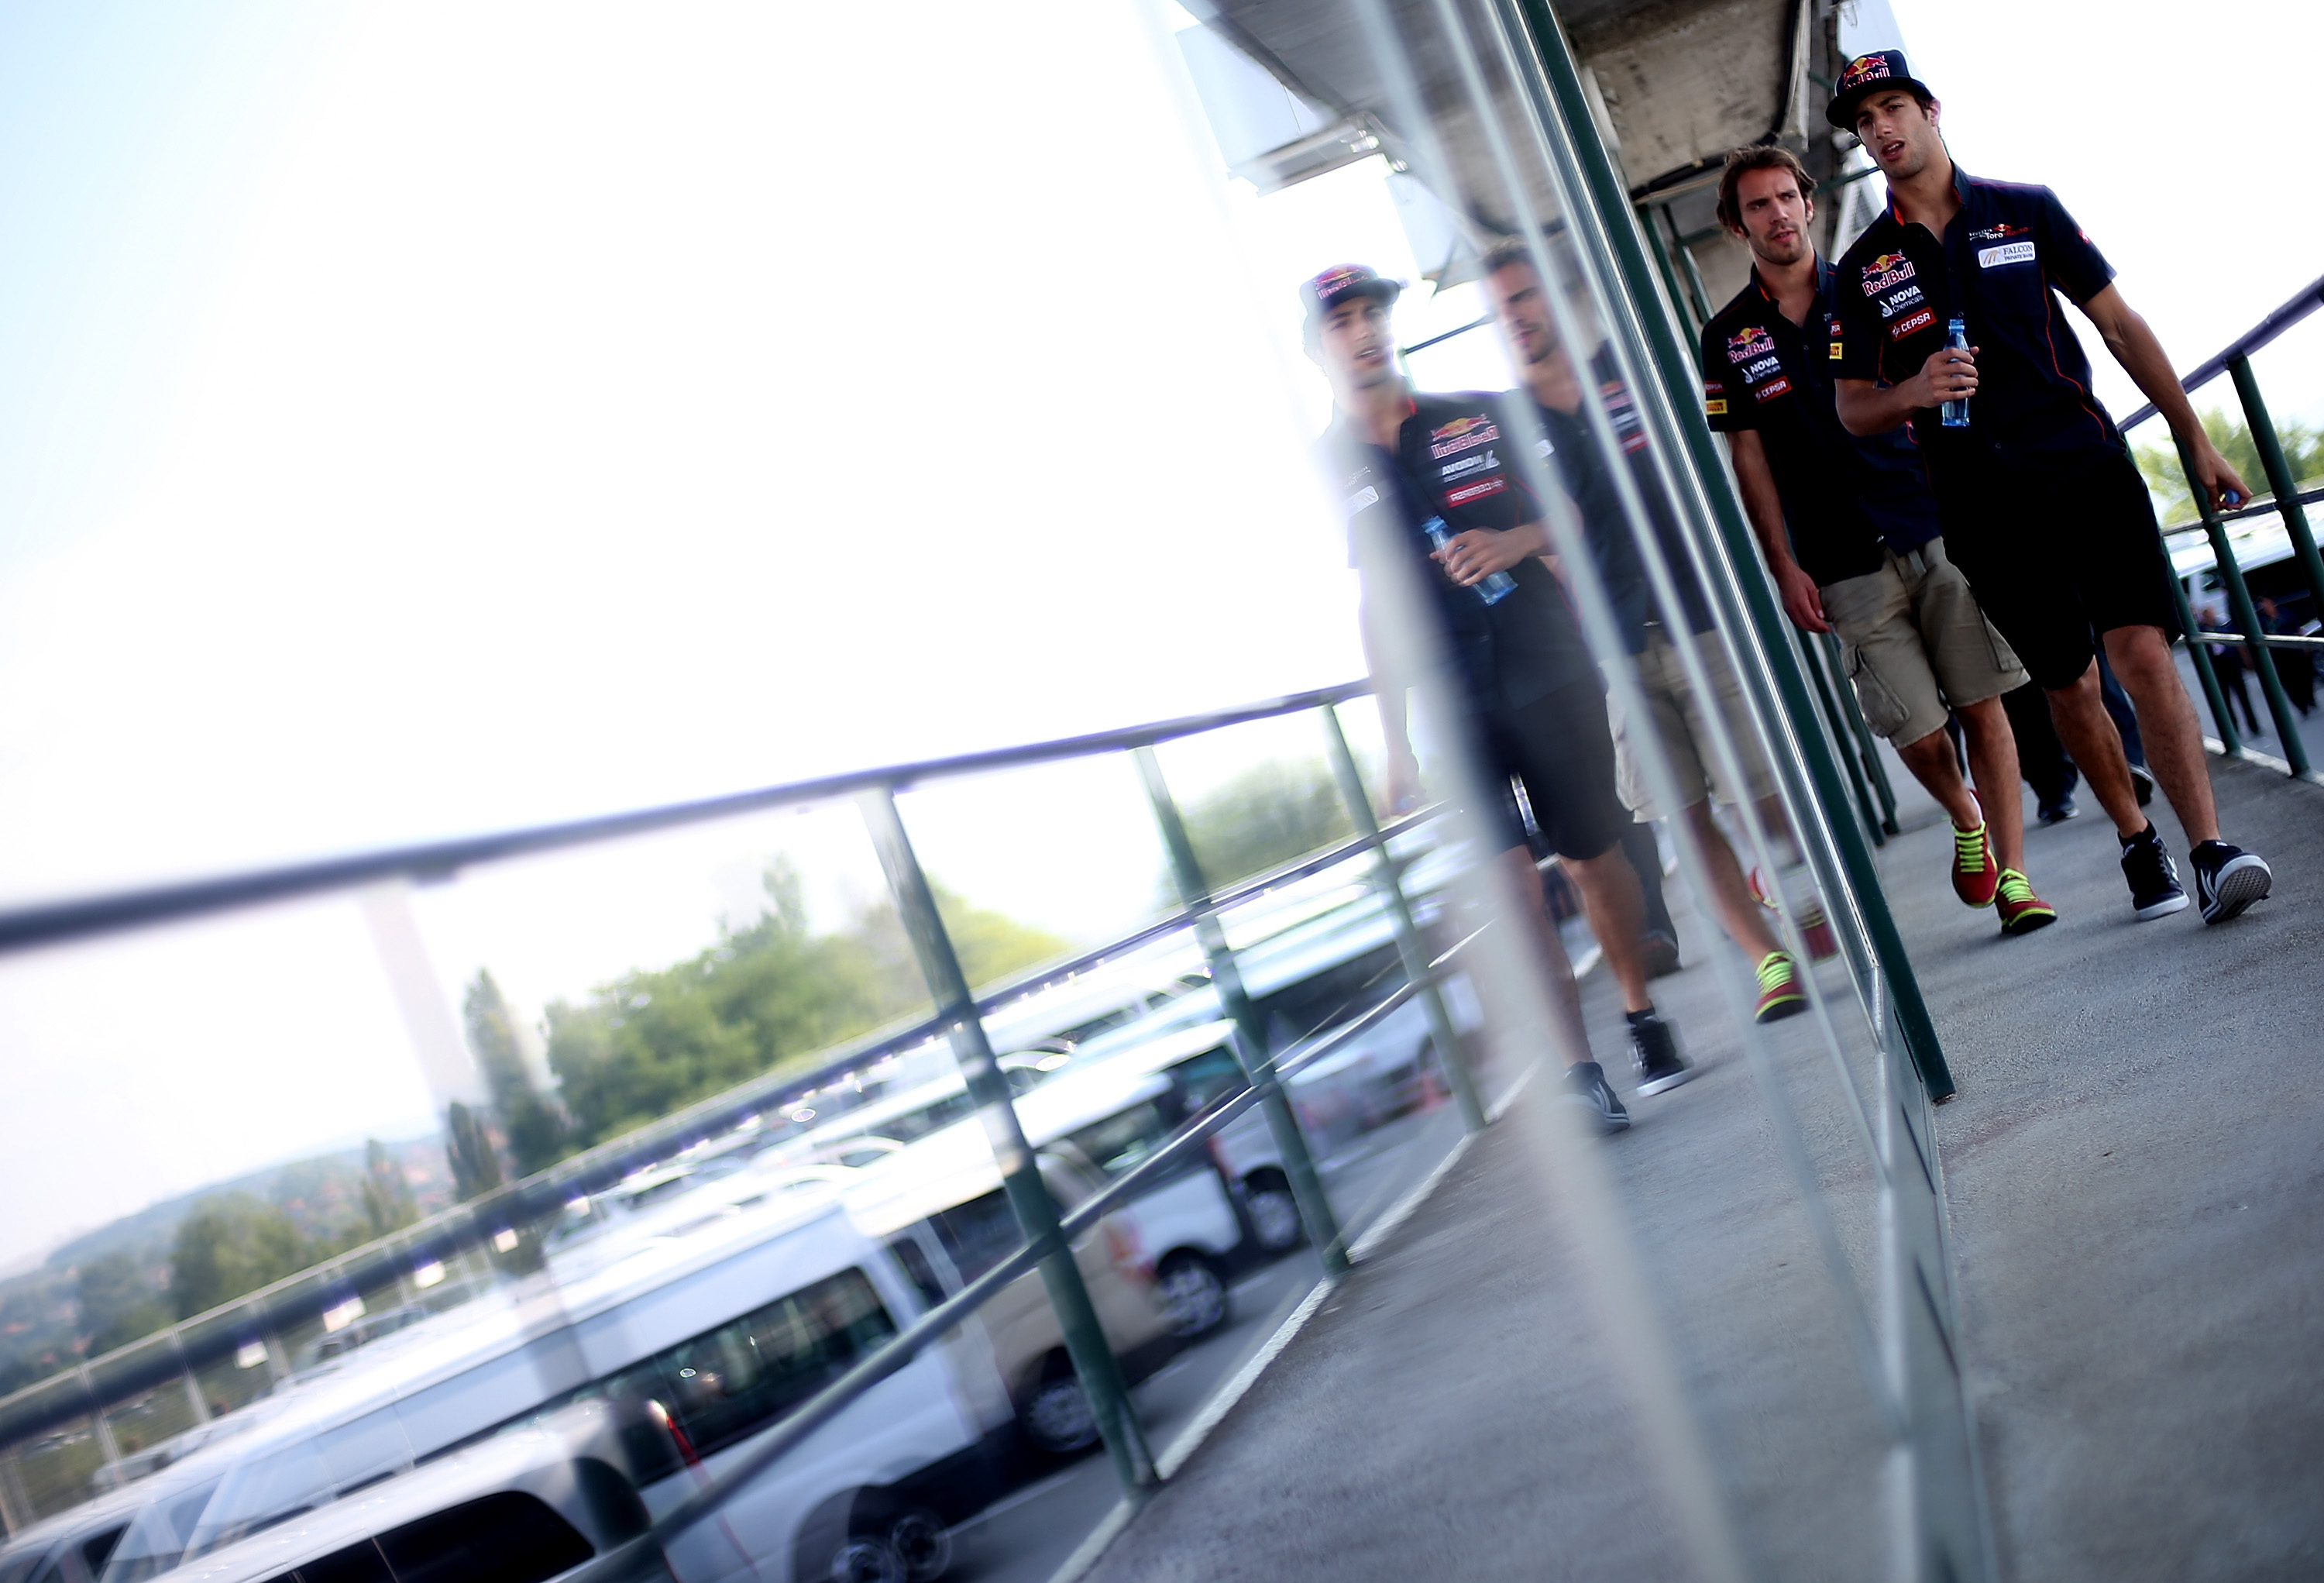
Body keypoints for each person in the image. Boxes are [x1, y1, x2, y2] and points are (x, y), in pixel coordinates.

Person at [1828, 50, 2274, 924]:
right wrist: (1914, 390)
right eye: (1865, 122)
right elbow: (1852, 408)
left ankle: (2212, 851)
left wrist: (2194, 438)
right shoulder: (1864, 266)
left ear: (1930, 109)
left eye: (1893, 108)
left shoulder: (2025, 210)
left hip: (2087, 467)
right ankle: (2137, 838)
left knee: (2142, 652)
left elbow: (2119, 325)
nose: (1881, 129)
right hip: (1983, 504)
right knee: (2069, 684)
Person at [1303, 263, 1692, 1130]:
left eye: (1373, 313)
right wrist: (1395, 745)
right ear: (1317, 348)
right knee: (1512, 892)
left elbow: (1567, 520)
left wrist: (1512, 541)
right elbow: (1375, 602)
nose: (1365, 331)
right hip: (1452, 701)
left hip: (1546, 664)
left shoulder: (1475, 414)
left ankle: (1639, 1013)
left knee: (1593, 861)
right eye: (1343, 321)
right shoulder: (1329, 463)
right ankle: (1579, 1072)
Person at [1697, 143, 2054, 936]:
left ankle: (2016, 879)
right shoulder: (1725, 337)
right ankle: (1966, 814)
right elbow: (1748, 457)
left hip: (1931, 517)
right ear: (1737, 226)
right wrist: (1782, 564)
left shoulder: (1872, 283)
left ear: (1809, 203)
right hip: (1839, 556)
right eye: (1758, 205)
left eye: (1786, 197)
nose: (1778, 214)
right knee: (1916, 731)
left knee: (1983, 700)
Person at [1477, 238, 1822, 1013]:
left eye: (1524, 297)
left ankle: (1799, 891)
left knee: (1761, 793)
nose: (1514, 317)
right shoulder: (1504, 425)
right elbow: (1538, 538)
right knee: (1680, 812)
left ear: (1557, 295)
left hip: (1704, 614)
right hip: (1619, 646)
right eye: (1499, 309)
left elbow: (1731, 449)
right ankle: (1768, 961)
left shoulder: (1638, 368)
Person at [2200, 604, 2262, 736]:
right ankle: (2233, 728)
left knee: (2243, 695)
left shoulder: (2223, 626)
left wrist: (2245, 659)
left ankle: (2253, 725)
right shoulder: (2202, 631)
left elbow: (2237, 643)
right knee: (2225, 699)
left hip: (2231, 663)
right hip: (2217, 666)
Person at [2259, 596, 2315, 714]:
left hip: (2295, 649)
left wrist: (2304, 645)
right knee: (2288, 681)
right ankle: (2301, 705)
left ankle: (2309, 698)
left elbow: (2297, 628)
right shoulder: (2263, 622)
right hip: (2279, 655)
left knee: (2304, 675)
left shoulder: (2285, 614)